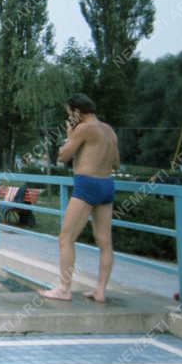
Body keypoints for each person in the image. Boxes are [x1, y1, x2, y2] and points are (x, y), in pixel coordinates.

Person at [40, 93, 120, 303]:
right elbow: (116, 163)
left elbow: (63, 156)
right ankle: (100, 291)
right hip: (107, 184)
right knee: (105, 243)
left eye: (69, 114)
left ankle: (64, 290)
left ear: (76, 112)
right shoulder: (109, 130)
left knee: (66, 238)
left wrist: (69, 134)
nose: (69, 118)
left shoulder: (83, 128)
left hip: (87, 184)